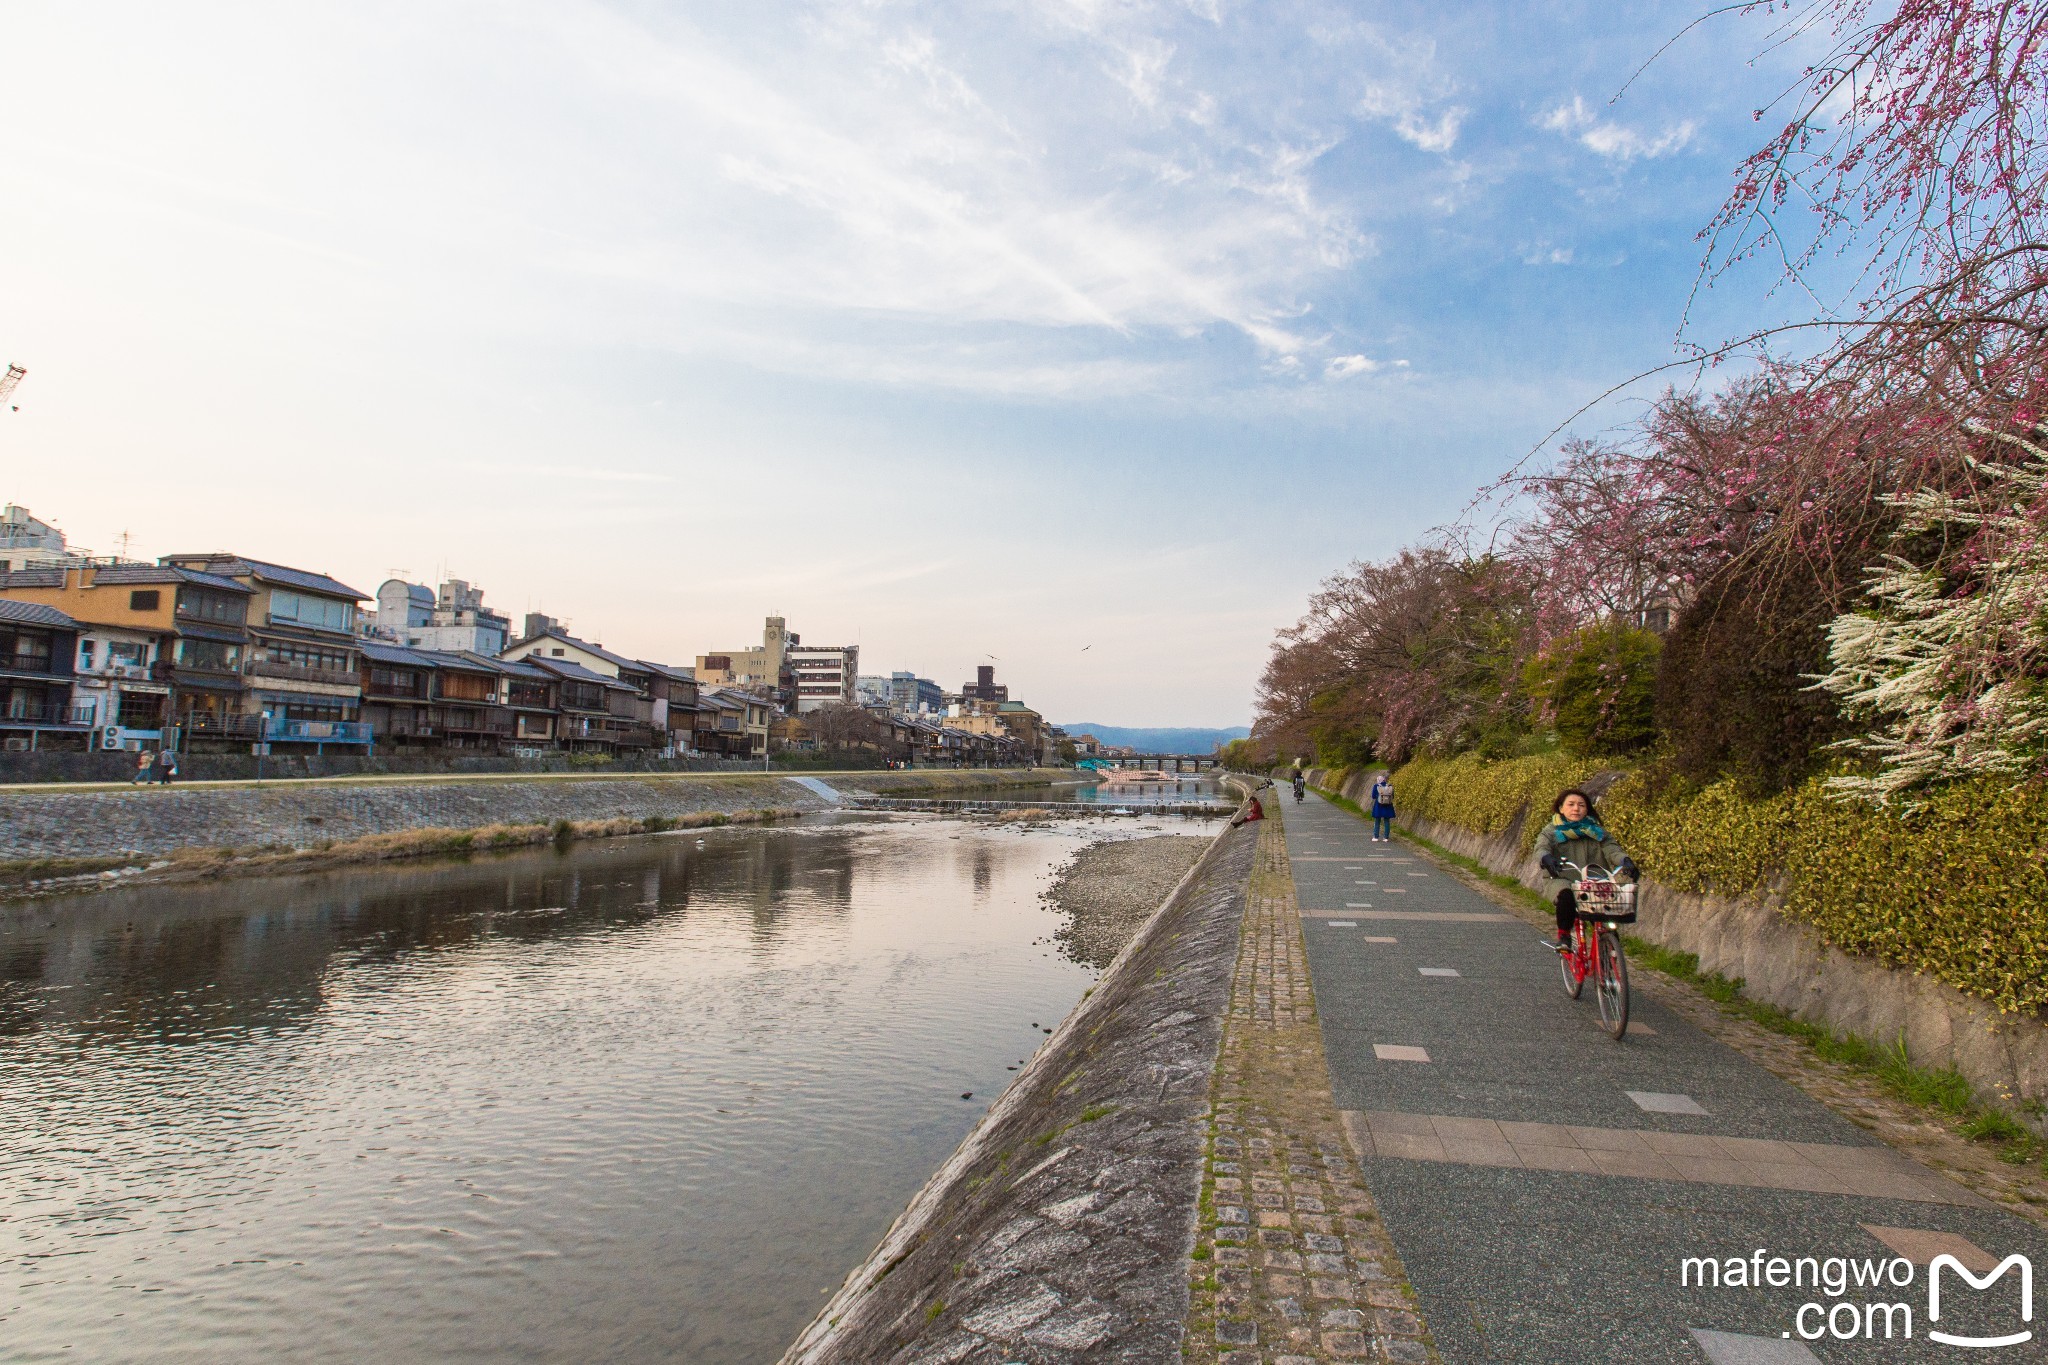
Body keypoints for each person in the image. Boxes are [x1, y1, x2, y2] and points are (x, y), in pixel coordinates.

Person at [1537, 789, 1637, 951]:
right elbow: (1541, 848)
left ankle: (1609, 954)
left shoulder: (1597, 832)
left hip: (1594, 880)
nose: (1576, 809)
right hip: (1563, 878)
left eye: (1581, 805)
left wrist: (1625, 861)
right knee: (1566, 895)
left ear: (1587, 809)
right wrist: (1546, 858)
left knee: (1606, 917)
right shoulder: (1551, 831)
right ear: (1561, 808)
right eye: (1571, 804)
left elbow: (1612, 850)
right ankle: (1564, 936)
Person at [1368, 771, 1395, 841]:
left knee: (1377, 821)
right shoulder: (1389, 786)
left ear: (1378, 780)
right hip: (1388, 806)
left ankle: (1375, 837)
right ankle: (1386, 837)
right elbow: (1393, 797)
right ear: (1384, 780)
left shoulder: (1376, 786)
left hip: (1379, 806)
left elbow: (1373, 796)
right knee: (1387, 821)